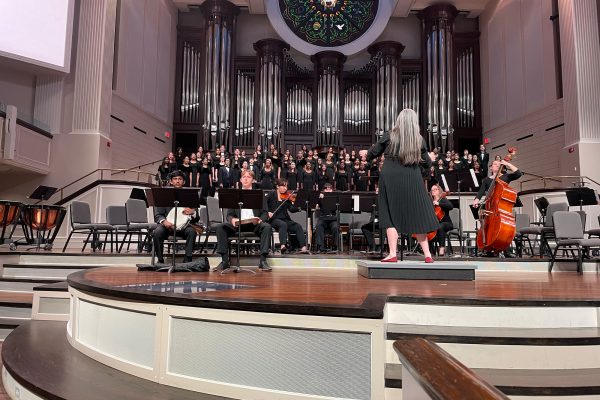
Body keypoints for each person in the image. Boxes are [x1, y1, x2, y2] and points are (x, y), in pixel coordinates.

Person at [366, 108, 439, 263]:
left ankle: (393, 253)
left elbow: (371, 154)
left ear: (398, 120)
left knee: (389, 214)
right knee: (418, 215)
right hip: (412, 177)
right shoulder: (418, 139)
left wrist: (368, 153)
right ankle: (427, 255)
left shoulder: (389, 135)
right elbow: (428, 163)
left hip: (390, 176)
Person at [213, 170, 273, 272]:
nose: (245, 178)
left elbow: (265, 213)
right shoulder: (235, 194)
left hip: (254, 224)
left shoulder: (259, 194)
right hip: (238, 225)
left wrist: (260, 220)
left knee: (267, 227)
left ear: (253, 180)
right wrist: (232, 219)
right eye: (244, 177)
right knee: (220, 227)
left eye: (248, 177)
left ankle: (263, 261)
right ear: (240, 179)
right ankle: (224, 262)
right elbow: (229, 215)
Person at [152, 170, 198, 264]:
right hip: (167, 226)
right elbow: (158, 215)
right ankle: (160, 260)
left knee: (192, 232)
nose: (177, 181)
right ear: (171, 181)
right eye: (175, 179)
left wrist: (193, 212)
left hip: (184, 226)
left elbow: (197, 217)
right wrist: (164, 222)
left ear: (184, 181)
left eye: (180, 179)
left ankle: (187, 260)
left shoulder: (190, 195)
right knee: (157, 232)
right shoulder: (163, 195)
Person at [266, 179, 308, 254]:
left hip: (285, 219)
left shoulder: (287, 197)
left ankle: (303, 247)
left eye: (286, 186)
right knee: (282, 224)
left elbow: (291, 209)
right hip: (274, 219)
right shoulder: (271, 194)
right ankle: (283, 245)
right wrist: (267, 212)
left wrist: (299, 207)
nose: (285, 188)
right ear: (277, 186)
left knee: (297, 226)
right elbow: (264, 204)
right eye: (283, 186)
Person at [314, 183, 339, 253]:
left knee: (335, 227)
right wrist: (318, 197)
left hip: (332, 219)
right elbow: (314, 206)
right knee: (319, 226)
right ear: (324, 190)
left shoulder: (335, 197)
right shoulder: (321, 197)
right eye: (326, 189)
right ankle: (320, 247)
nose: (328, 190)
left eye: (330, 189)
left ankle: (335, 246)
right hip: (323, 218)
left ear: (332, 190)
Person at [429, 184, 453, 257]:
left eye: (435, 189)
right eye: (432, 190)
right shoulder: (430, 201)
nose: (433, 191)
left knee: (440, 226)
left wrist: (439, 203)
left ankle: (442, 247)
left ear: (439, 190)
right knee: (427, 227)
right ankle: (430, 251)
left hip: (447, 223)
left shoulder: (443, 199)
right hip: (435, 224)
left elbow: (450, 206)